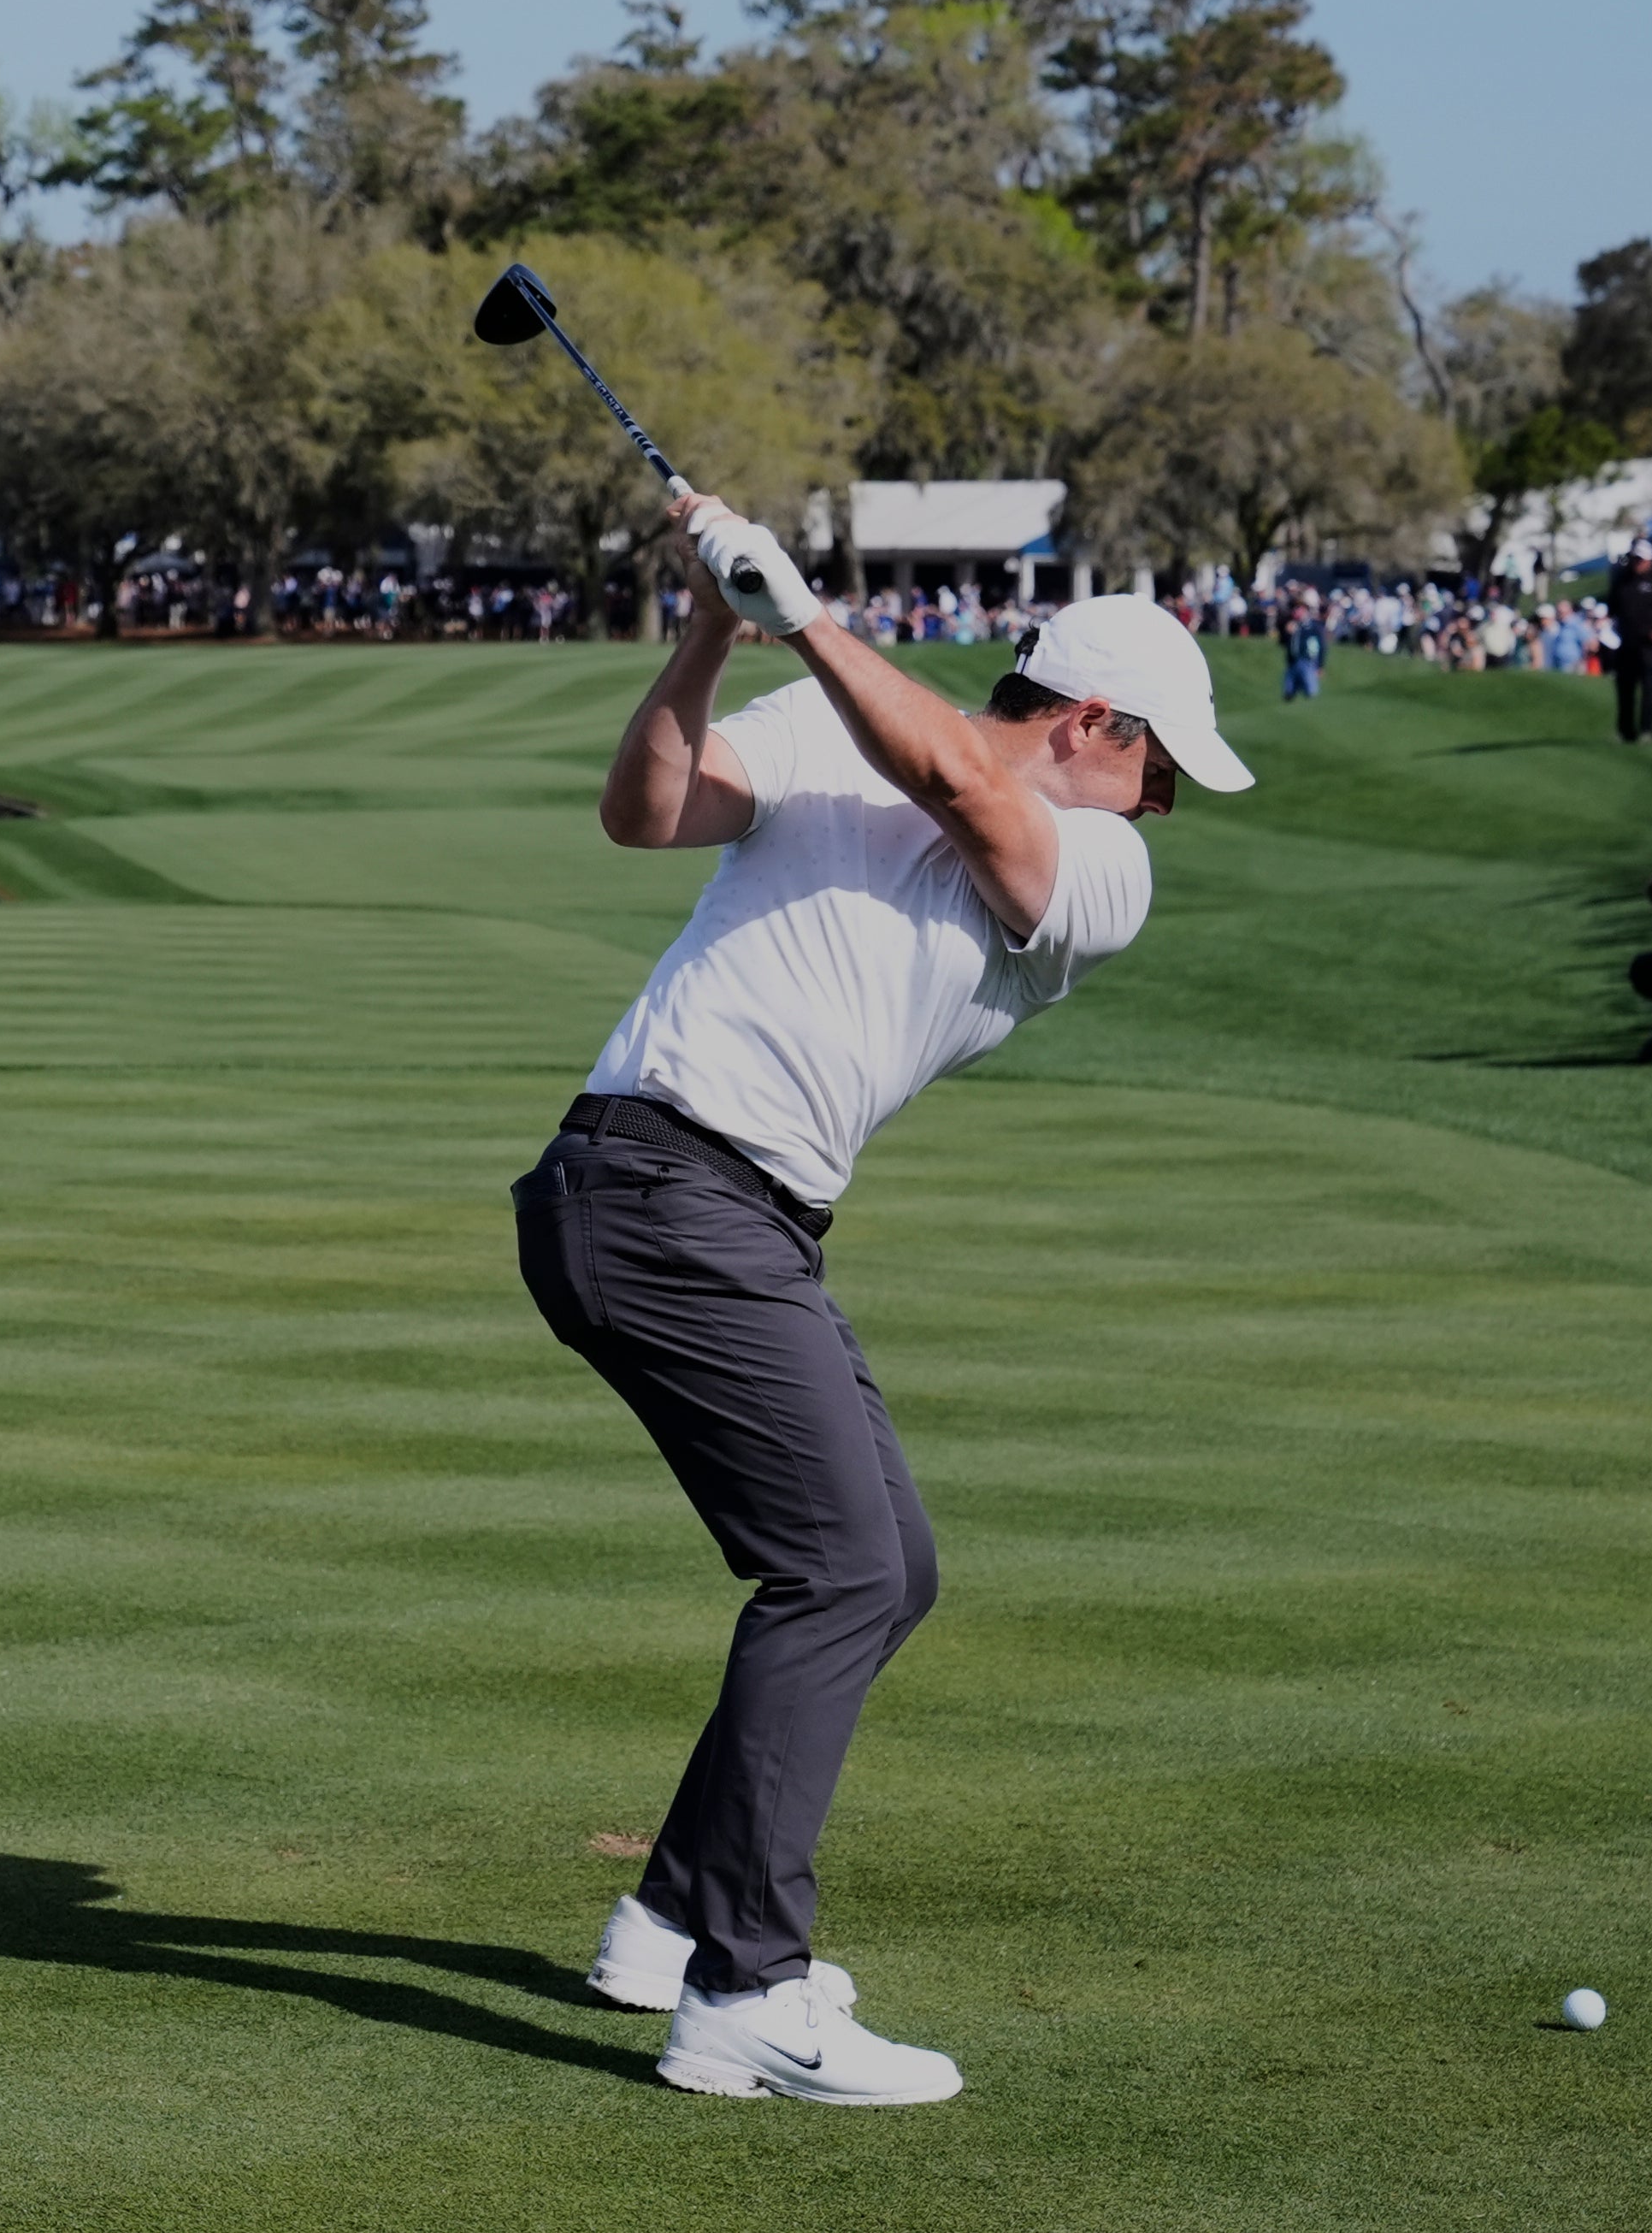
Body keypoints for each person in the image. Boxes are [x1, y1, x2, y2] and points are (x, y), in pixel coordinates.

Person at [510, 493, 1253, 2107]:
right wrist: (709, 631)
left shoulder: (1102, 870)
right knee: (837, 1570)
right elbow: (646, 812)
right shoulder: (831, 720)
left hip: (726, 1215)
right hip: (655, 1189)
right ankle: (745, 1992)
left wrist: (801, 616)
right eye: (1161, 765)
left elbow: (964, 784)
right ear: (1093, 719)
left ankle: (671, 1917)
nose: (1165, 802)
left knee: (887, 1567)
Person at [1608, 544, 1652, 744]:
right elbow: (1613, 608)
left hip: (1650, 644)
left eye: (1640, 559)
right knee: (1625, 686)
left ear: (1649, 560)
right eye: (1635, 559)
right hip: (1627, 641)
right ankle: (1625, 731)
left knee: (1649, 686)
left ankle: (1647, 730)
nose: (1637, 563)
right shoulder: (1622, 580)